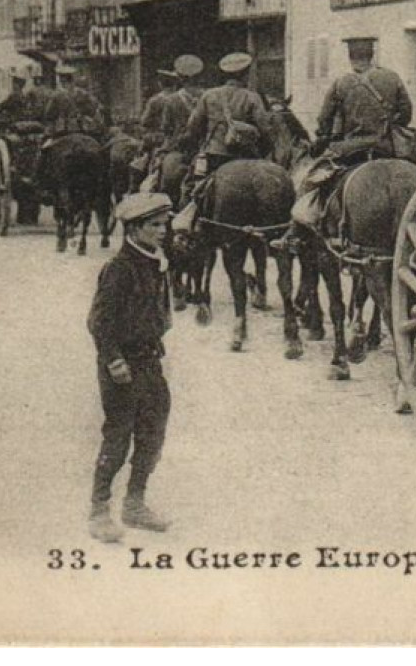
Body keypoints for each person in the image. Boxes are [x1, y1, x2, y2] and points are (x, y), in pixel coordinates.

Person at [87, 192, 175, 543]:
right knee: (118, 435)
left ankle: (135, 503)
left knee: (153, 432)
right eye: (155, 225)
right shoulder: (119, 269)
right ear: (134, 229)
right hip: (122, 365)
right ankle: (98, 510)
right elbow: (99, 321)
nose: (163, 231)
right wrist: (114, 361)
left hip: (149, 360)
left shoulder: (154, 262)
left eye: (164, 224)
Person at [313, 38, 413, 162]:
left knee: (316, 175)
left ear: (350, 56)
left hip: (350, 149)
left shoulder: (340, 83)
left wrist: (326, 137)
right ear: (372, 54)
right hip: (386, 147)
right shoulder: (392, 77)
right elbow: (406, 113)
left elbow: (324, 119)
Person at [180, 52, 270, 179]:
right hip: (245, 155)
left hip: (215, 154)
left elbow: (193, 126)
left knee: (196, 187)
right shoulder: (252, 97)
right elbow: (265, 129)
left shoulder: (209, 95)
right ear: (245, 75)